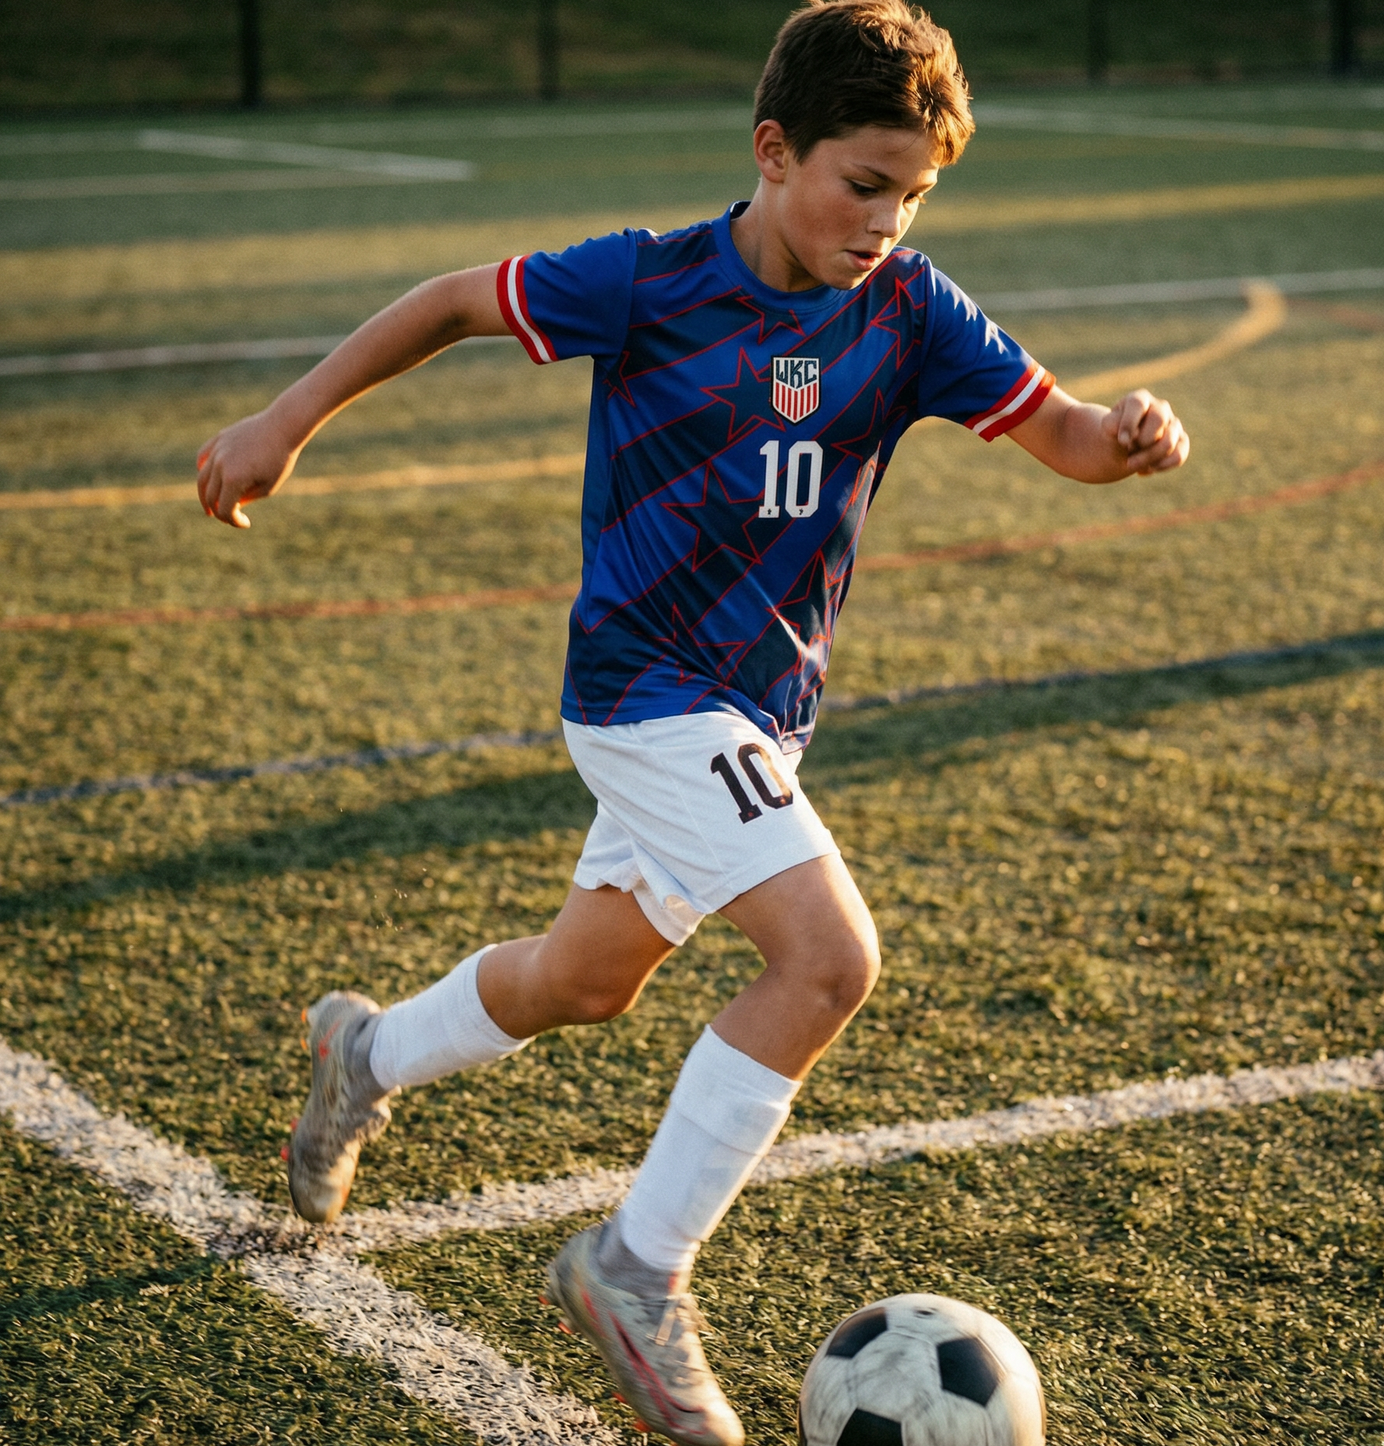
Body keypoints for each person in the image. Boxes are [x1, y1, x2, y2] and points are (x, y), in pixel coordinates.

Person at [197, 2, 1189, 1441]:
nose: (885, 221)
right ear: (774, 151)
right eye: (864, 184)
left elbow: (1067, 434)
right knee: (828, 957)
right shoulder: (651, 283)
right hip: (647, 694)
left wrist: (1132, 435)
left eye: (913, 194)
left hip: (759, 720)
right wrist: (285, 419)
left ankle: (366, 1053)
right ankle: (634, 1265)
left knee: (580, 979)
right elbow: (451, 302)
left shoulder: (909, 307)